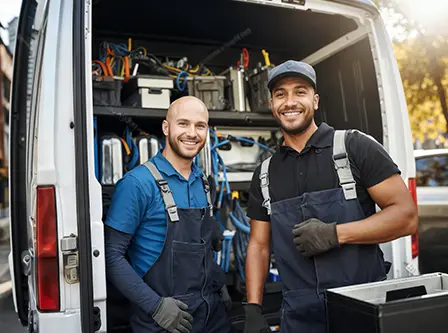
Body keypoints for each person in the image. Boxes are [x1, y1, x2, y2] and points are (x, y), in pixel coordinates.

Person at [242, 60, 418, 333]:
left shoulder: (354, 147)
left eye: (299, 92)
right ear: (272, 104)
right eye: (280, 94)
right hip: (300, 319)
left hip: (361, 311)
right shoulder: (265, 173)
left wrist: (336, 234)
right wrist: (253, 308)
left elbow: (406, 217)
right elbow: (258, 246)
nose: (290, 102)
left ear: (315, 101)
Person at [104, 96, 232, 333]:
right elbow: (111, 257)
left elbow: (203, 248)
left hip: (211, 316)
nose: (192, 133)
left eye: (200, 125)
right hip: (163, 322)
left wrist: (219, 286)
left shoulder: (202, 182)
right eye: (183, 124)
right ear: (166, 127)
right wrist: (156, 307)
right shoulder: (138, 184)